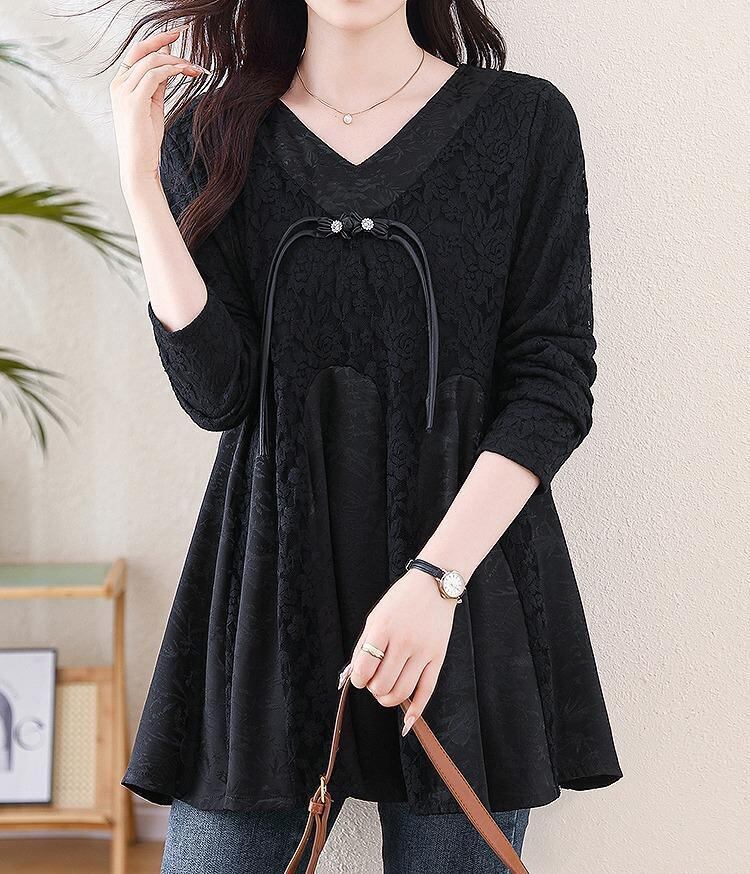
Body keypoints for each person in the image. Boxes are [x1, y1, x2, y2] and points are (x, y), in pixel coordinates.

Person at [111, 2, 622, 870]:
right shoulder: (209, 134)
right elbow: (217, 396)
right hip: (267, 596)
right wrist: (139, 184)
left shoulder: (525, 123)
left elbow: (552, 382)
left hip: (464, 601)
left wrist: (436, 582)